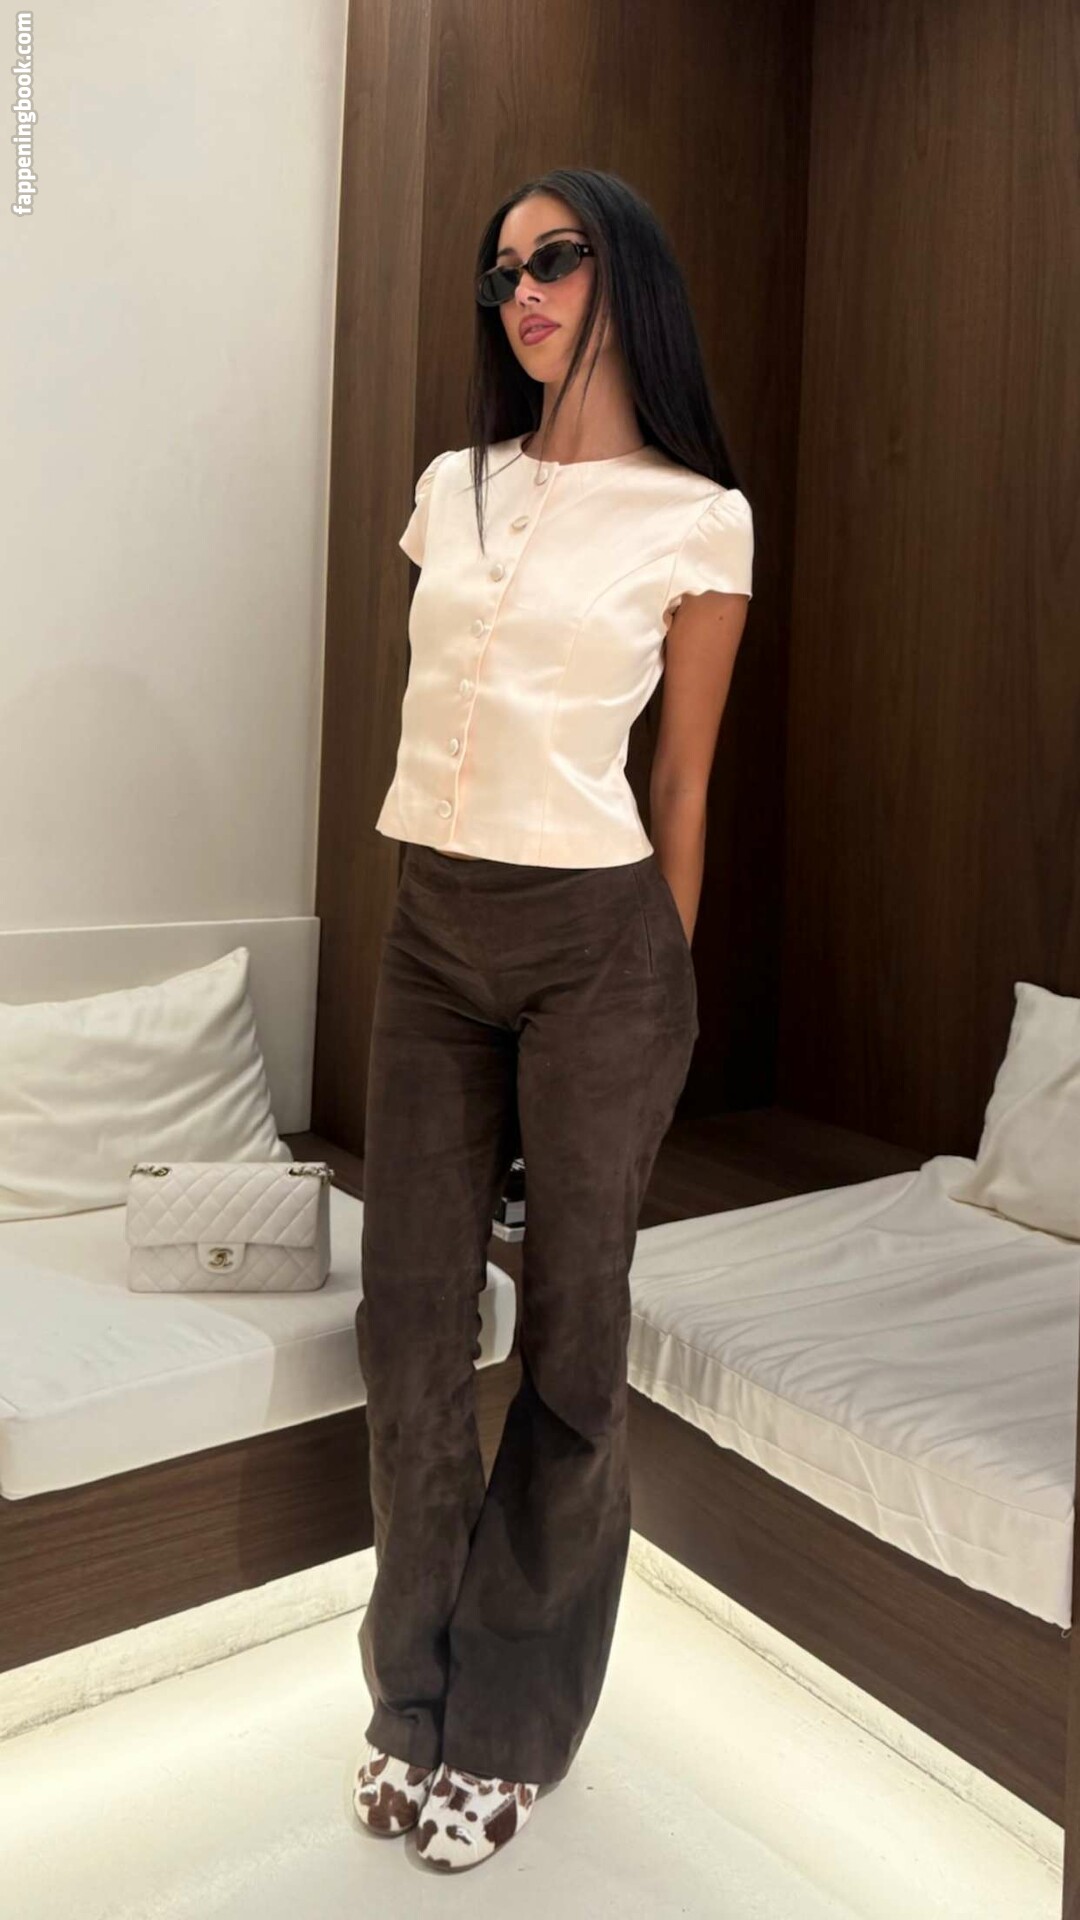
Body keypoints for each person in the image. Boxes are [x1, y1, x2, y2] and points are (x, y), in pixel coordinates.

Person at [351, 166, 754, 1872]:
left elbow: (683, 786)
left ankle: (511, 1730)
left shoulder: (698, 517)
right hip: (433, 931)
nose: (520, 291)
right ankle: (412, 1703)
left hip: (600, 947)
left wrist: (657, 1002)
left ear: (623, 275)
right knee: (409, 1329)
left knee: (574, 1347)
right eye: (502, 269)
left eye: (556, 259)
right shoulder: (454, 488)